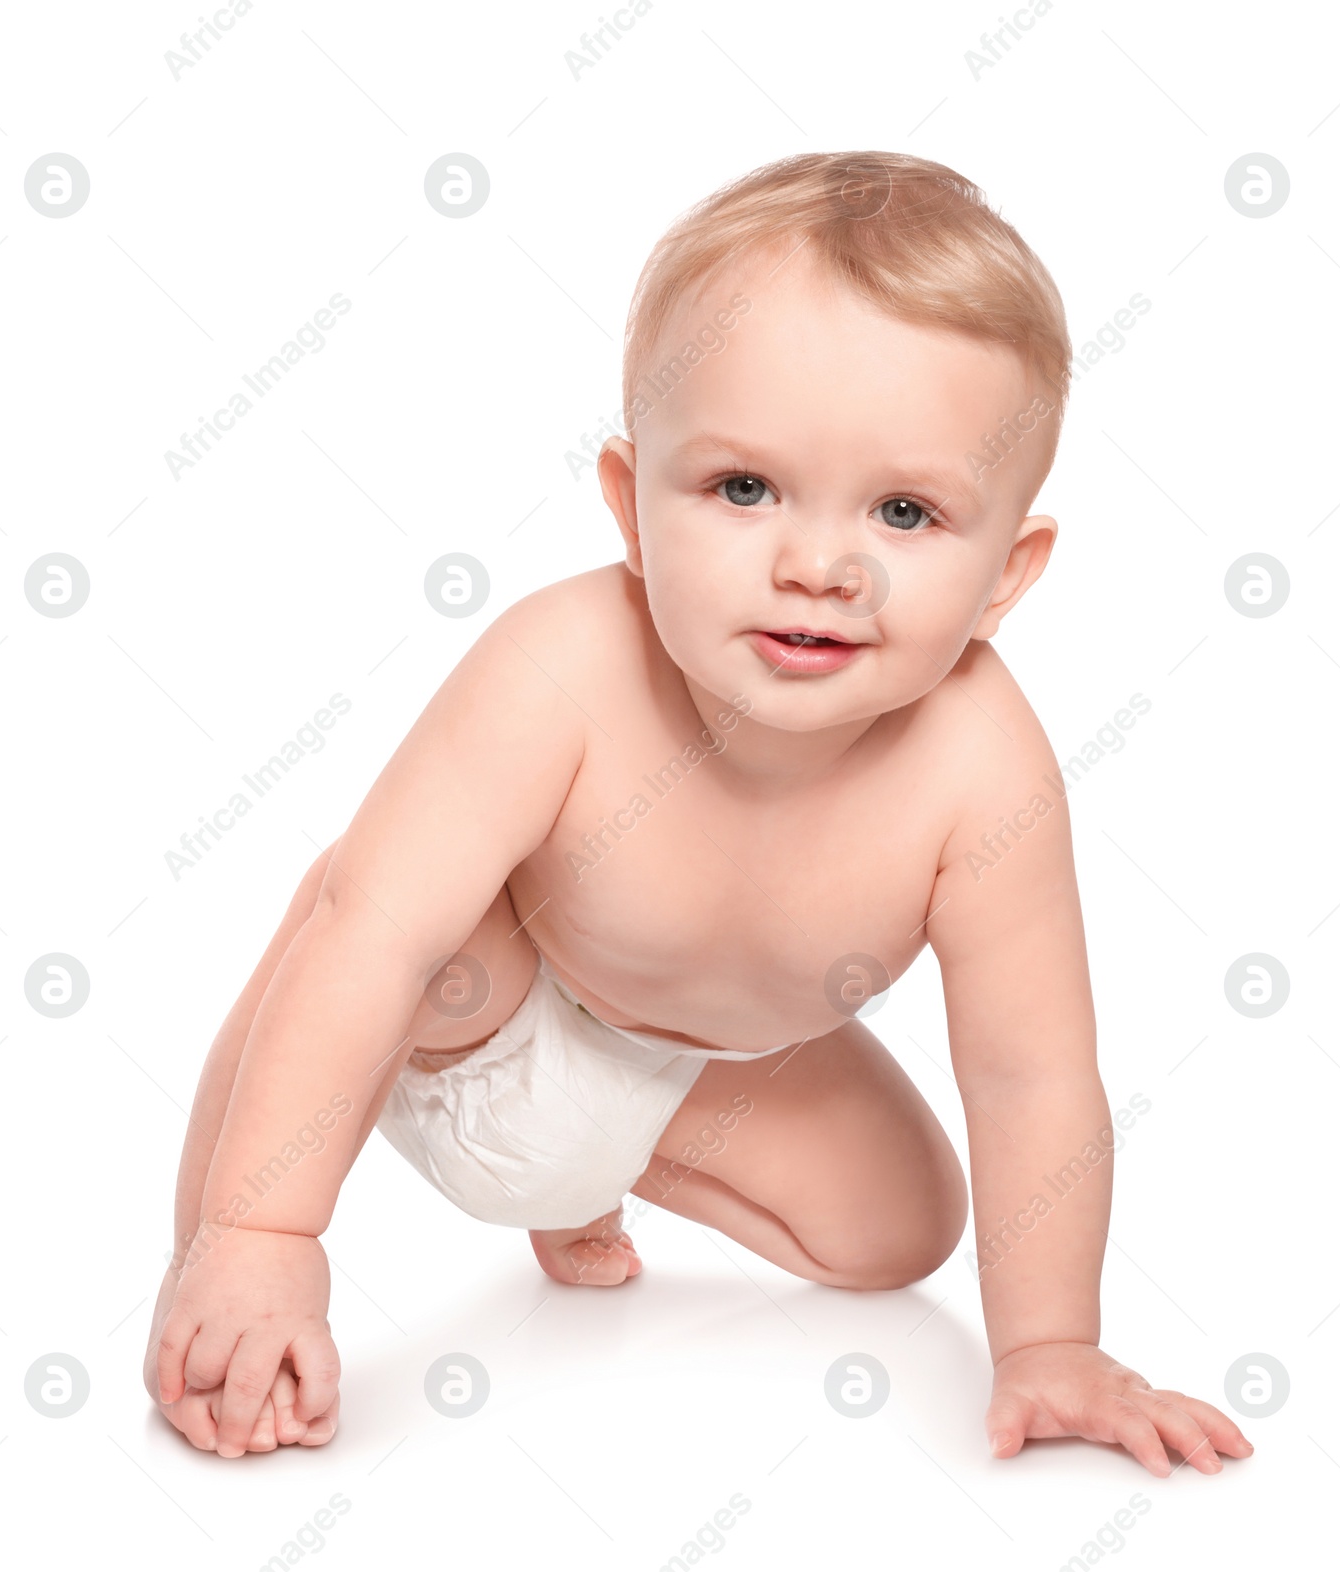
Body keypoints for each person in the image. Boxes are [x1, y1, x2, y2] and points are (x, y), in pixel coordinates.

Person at [143, 150, 1252, 1475]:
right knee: (374, 921)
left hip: (703, 1074)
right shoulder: (561, 669)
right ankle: (221, 1262)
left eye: (905, 511)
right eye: (742, 488)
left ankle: (583, 1174)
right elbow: (364, 933)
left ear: (1007, 575)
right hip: (477, 1016)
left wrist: (1052, 1346)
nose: (820, 564)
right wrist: (264, 1242)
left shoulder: (984, 769)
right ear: (629, 506)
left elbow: (1030, 1075)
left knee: (902, 1231)